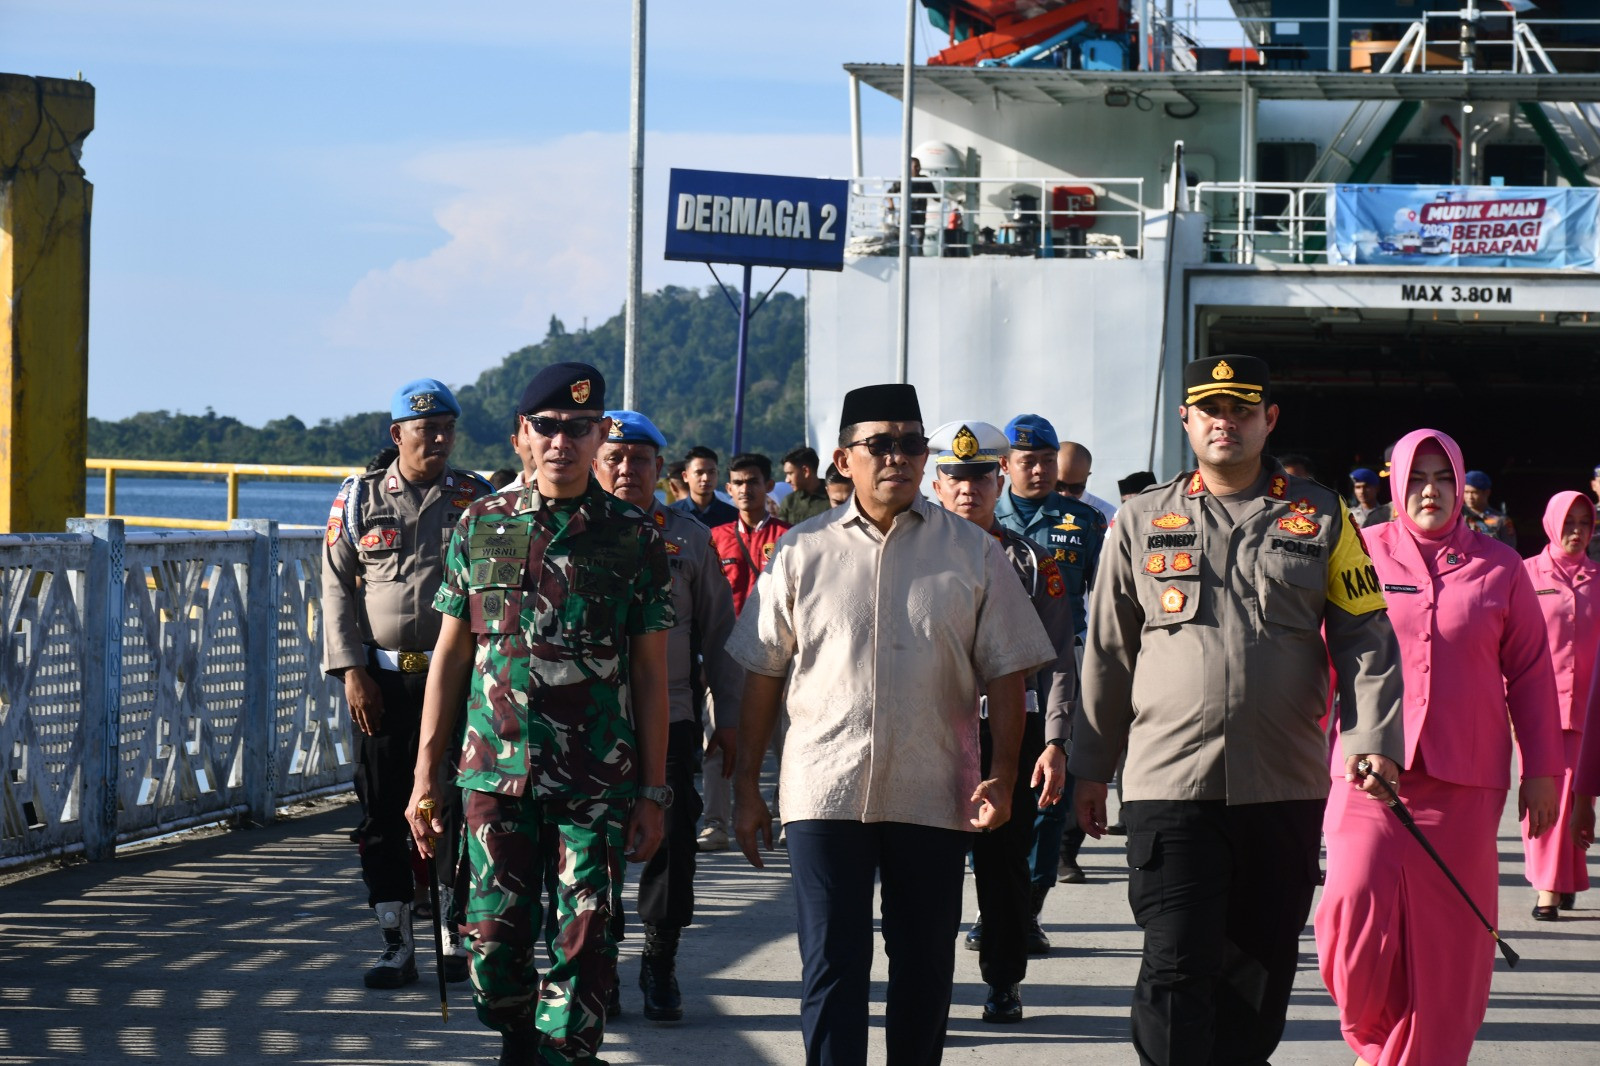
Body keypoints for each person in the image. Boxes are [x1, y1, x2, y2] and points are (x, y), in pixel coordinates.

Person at [1071, 355, 1408, 1066]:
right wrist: (1090, 767)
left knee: (1258, 973)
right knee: (1174, 962)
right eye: (1211, 410)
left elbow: (1365, 633)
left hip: (1281, 784)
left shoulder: (1321, 515)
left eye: (1241, 409)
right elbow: (1107, 651)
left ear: (1268, 420)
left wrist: (1373, 737)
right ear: (1187, 420)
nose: (1226, 422)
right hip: (1170, 785)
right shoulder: (1140, 519)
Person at [727, 383, 1055, 1066]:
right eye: (880, 444)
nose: (898, 458)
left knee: (925, 968)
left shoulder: (972, 551)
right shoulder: (801, 551)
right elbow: (761, 673)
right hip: (824, 791)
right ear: (844, 459)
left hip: (935, 787)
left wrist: (1000, 776)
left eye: (911, 444)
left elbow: (1007, 672)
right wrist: (747, 790)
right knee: (831, 966)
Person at [405, 362, 674, 1066]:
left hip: (595, 781)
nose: (562, 442)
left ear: (598, 436)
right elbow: (451, 657)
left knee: (586, 947)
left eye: (579, 428)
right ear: (523, 435)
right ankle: (520, 1036)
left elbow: (650, 675)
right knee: (491, 954)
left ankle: (560, 1055)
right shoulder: (480, 524)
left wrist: (653, 789)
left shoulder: (635, 538)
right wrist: (425, 776)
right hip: (494, 775)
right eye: (547, 428)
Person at [1315, 427, 1561, 1066]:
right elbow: (1322, 663)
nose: (1431, 490)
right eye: (1417, 477)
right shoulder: (1359, 552)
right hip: (1367, 773)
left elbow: (1532, 675)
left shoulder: (1500, 566)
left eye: (1444, 478)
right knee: (1349, 920)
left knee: (1451, 947)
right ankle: (1380, 1045)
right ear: (1395, 483)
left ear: (1461, 486)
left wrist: (1543, 772)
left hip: (1464, 782)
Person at [321, 378, 490, 990]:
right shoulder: (360, 497)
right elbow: (336, 586)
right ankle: (394, 937)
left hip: (459, 682)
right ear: (397, 435)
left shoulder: (476, 498)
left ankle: (453, 931)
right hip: (382, 685)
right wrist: (352, 671)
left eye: (447, 428)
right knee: (381, 813)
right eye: (426, 430)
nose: (439, 439)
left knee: (458, 806)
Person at [592, 410, 743, 1021]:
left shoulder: (691, 539)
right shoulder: (568, 529)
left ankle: (660, 961)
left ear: (663, 469)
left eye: (641, 459)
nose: (628, 469)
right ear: (596, 463)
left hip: (674, 713)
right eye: (615, 458)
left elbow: (720, 633)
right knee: (588, 847)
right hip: (589, 718)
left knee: (673, 844)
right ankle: (596, 961)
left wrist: (728, 721)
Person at [929, 418, 1077, 1025]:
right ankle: (926, 982)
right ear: (936, 484)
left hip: (1007, 731)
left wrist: (1058, 741)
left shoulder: (1029, 560)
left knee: (1003, 868)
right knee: (928, 869)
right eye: (955, 478)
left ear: (1000, 480)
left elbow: (1061, 657)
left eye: (980, 477)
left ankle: (1004, 979)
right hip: (930, 729)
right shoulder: (912, 555)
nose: (969, 490)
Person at [995, 414, 1102, 894]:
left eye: (1046, 461)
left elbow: (1105, 596)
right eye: (1027, 462)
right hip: (992, 665)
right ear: (1005, 464)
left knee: (1049, 786)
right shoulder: (980, 517)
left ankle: (1028, 905)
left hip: (1061, 662)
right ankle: (994, 899)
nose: (1038, 471)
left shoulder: (1082, 521)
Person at [1522, 491, 1600, 919]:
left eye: (1585, 524)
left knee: (1577, 795)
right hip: (1538, 705)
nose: (1576, 532)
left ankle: (1563, 879)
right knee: (1544, 792)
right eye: (1569, 523)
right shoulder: (1525, 574)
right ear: (1551, 524)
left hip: (1588, 707)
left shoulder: (1598, 578)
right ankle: (1548, 887)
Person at [673, 446, 739, 528]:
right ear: (685, 476)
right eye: (699, 472)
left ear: (717, 474)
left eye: (711, 472)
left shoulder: (733, 517)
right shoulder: (672, 514)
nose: (706, 478)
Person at [1057, 441, 1118, 525]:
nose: (1065, 494)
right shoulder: (1035, 508)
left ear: (1086, 478)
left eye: (1075, 488)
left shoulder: (1108, 515)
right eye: (1058, 485)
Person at [1461, 470, 1517, 547]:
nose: (1469, 497)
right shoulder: (1457, 516)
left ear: (1487, 492)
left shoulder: (1502, 520)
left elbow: (1510, 551)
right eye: (1466, 492)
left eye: (1474, 492)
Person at [779, 446, 832, 525]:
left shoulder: (833, 497)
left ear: (805, 471)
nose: (787, 480)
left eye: (790, 473)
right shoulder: (789, 502)